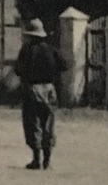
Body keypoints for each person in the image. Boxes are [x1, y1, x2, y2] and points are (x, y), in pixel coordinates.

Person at [13, 17, 67, 170]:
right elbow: (64, 65)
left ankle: (36, 159)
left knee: (33, 123)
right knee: (48, 123)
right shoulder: (51, 49)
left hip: (32, 89)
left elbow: (18, 70)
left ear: (30, 35)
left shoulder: (27, 50)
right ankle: (47, 160)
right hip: (49, 89)